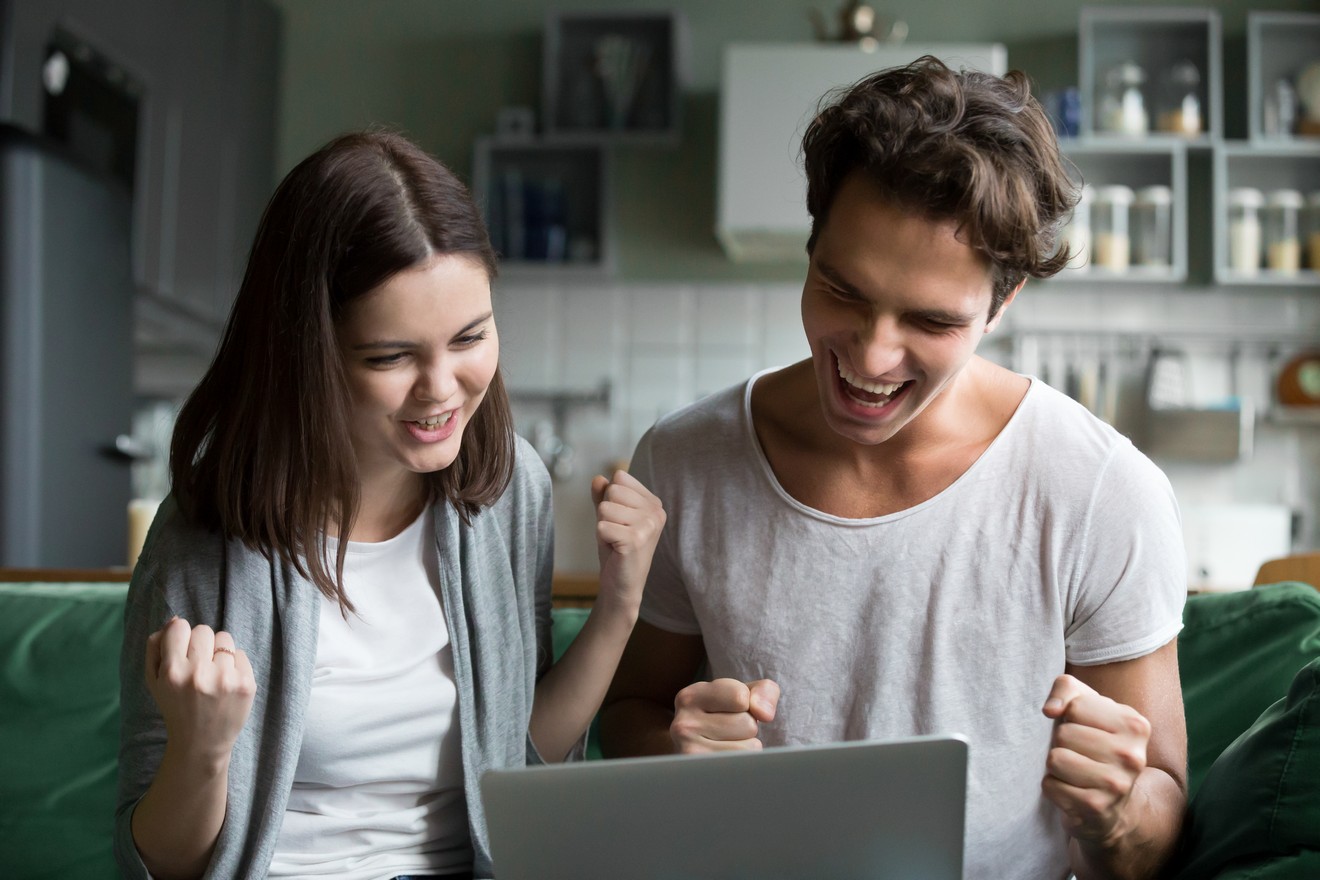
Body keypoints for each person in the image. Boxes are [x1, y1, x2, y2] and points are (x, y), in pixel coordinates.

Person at [600, 56, 1187, 880]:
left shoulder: (1100, 492)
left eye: (930, 319)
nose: (870, 356)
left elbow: (1158, 819)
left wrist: (1121, 810)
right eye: (842, 289)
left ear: (1001, 303)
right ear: (811, 246)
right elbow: (628, 713)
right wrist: (675, 753)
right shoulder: (686, 460)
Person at [115, 129, 665, 880]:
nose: (441, 388)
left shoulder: (509, 491)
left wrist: (620, 606)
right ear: (304, 351)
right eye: (391, 356)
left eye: (470, 337)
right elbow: (160, 866)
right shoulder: (207, 534)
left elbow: (520, 760)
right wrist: (202, 751)